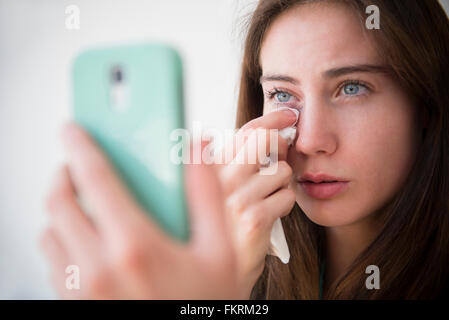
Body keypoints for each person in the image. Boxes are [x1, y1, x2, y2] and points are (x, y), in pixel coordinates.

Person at [40, 0, 449, 299]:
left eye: (352, 88)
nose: (309, 141)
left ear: (425, 103)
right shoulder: (242, 277)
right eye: (282, 93)